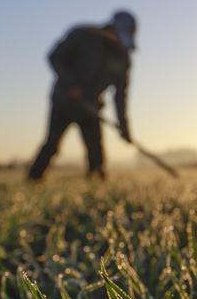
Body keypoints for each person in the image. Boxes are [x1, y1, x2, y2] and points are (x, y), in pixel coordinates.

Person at [28, 10, 136, 181]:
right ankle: (34, 179)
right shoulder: (83, 35)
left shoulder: (123, 58)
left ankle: (96, 182)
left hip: (90, 106)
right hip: (64, 101)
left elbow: (120, 95)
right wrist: (71, 85)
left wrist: (124, 127)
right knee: (52, 144)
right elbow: (54, 56)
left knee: (95, 148)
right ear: (111, 28)